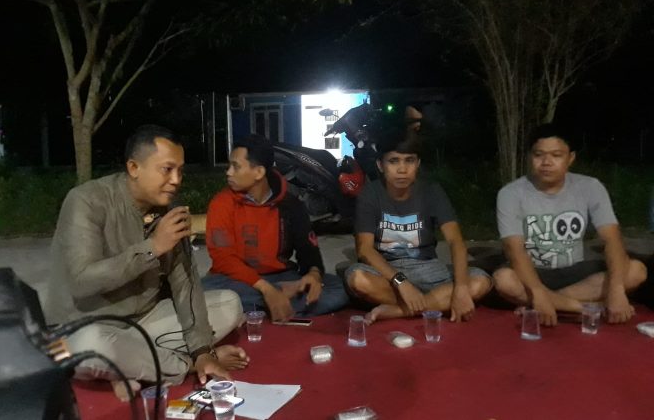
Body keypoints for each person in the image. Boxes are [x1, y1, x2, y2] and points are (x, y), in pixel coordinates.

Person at [43, 125, 248, 400]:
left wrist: (202, 350)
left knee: (230, 304)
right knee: (90, 346)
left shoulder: (169, 210)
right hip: (78, 329)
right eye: (167, 169)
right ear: (134, 168)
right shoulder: (86, 201)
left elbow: (185, 287)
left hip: (143, 325)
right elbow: (81, 281)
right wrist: (153, 248)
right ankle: (177, 365)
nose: (176, 180)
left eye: (180, 171)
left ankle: (130, 366)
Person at [493, 123, 647, 326]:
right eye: (539, 155)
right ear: (530, 157)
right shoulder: (510, 193)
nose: (546, 162)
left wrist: (616, 290)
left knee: (636, 270)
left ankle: (549, 303)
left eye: (556, 155)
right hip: (532, 272)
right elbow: (514, 250)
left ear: (570, 158)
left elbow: (612, 239)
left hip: (576, 271)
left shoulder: (590, 187)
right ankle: (582, 307)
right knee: (504, 279)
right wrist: (537, 291)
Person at [341, 125, 492, 324]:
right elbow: (365, 250)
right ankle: (433, 304)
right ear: (380, 165)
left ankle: (400, 310)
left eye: (409, 161)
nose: (402, 169)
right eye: (394, 161)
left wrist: (462, 288)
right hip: (388, 274)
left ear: (418, 164)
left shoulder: (431, 191)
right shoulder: (370, 194)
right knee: (357, 278)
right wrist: (401, 282)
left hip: (430, 271)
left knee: (480, 281)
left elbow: (455, 241)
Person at [201, 135, 349, 321]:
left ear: (259, 172)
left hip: (281, 277)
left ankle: (256, 308)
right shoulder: (221, 203)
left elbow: (308, 251)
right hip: (234, 280)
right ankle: (277, 302)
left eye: (236, 166)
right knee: (201, 292)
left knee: (338, 288)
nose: (228, 172)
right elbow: (223, 259)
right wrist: (267, 290)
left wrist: (314, 275)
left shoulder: (290, 205)